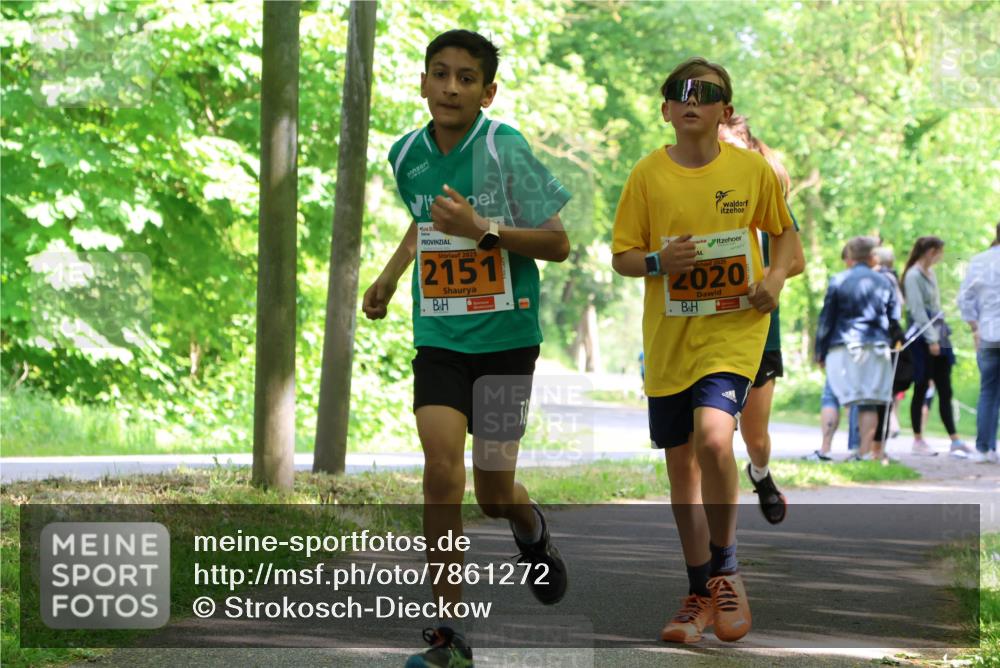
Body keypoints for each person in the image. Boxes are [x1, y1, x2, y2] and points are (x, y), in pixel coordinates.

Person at [361, 30, 572, 667]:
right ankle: (448, 634)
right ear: (423, 82)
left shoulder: (503, 149)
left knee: (492, 491)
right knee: (441, 469)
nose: (451, 87)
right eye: (440, 74)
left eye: (466, 78)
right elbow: (427, 220)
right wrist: (392, 275)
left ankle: (530, 529)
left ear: (488, 91)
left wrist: (484, 232)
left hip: (508, 341)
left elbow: (557, 242)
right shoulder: (405, 154)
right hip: (442, 337)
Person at [611, 57, 801, 644]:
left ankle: (727, 571)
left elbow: (788, 238)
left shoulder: (752, 172)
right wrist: (656, 263)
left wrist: (772, 279)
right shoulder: (646, 176)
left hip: (732, 332)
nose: (692, 99)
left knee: (717, 437)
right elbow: (621, 257)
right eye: (679, 91)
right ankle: (697, 593)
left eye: (707, 92)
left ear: (725, 110)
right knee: (680, 471)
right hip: (669, 341)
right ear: (666, 109)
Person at [717, 115, 805, 522]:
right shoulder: (691, 183)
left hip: (757, 327)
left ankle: (760, 472)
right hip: (705, 326)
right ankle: (716, 542)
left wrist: (769, 281)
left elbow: (796, 260)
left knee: (755, 436)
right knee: (712, 436)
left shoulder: (765, 189)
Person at [815, 236, 900, 463]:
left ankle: (825, 449)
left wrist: (820, 351)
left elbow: (827, 320)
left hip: (843, 346)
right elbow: (894, 318)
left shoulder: (838, 280)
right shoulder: (885, 282)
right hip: (876, 346)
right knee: (869, 400)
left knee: (831, 394)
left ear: (850, 257)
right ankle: (862, 454)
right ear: (873, 258)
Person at [902, 236, 969, 457]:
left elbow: (936, 306)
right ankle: (917, 438)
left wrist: (940, 336)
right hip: (923, 336)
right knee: (921, 386)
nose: (940, 256)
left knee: (945, 386)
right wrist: (931, 339)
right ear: (931, 251)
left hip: (939, 330)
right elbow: (918, 310)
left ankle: (954, 439)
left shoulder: (931, 274)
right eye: (939, 252)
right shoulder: (913, 275)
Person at [958, 222, 1000, 463]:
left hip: (989, 334)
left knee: (988, 392)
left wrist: (975, 326)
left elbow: (965, 297)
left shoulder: (980, 261)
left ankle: (985, 449)